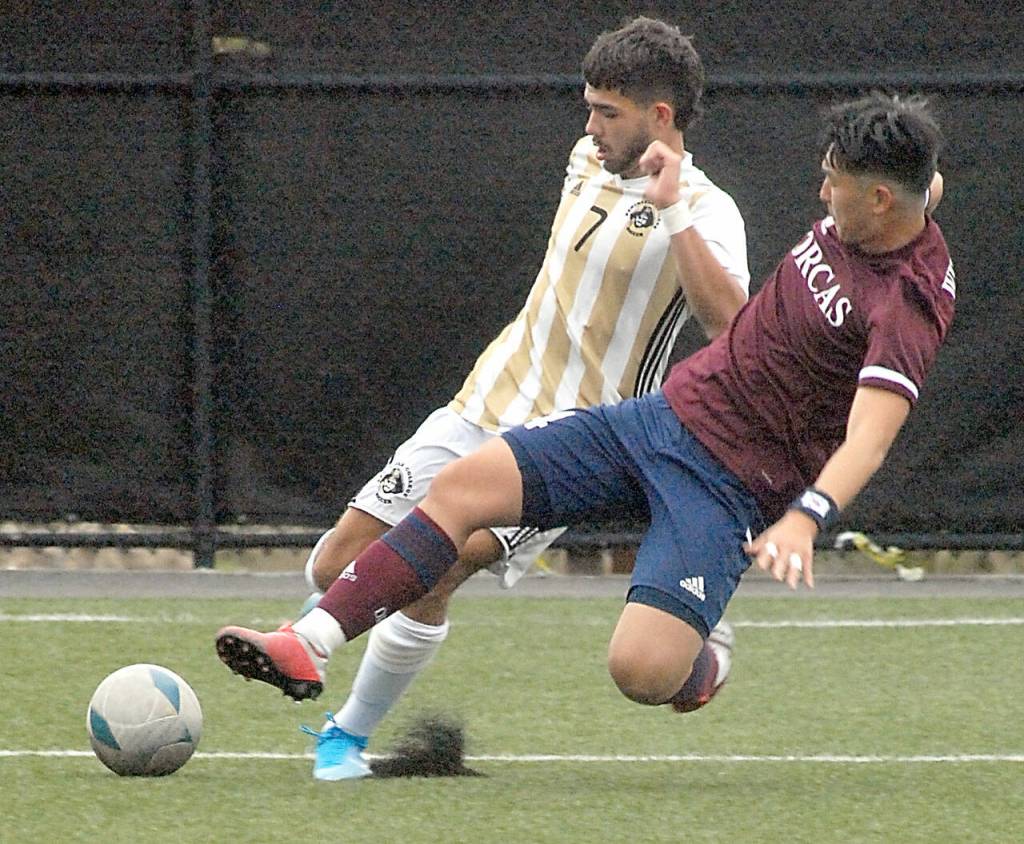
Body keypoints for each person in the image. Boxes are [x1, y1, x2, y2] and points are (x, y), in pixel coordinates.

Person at [217, 91, 953, 756]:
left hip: (731, 487)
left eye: (837, 185)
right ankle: (306, 642)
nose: (823, 195)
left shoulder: (906, 305)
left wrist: (805, 518)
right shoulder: (893, 204)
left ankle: (704, 644)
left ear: (883, 200)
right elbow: (930, 184)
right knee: (466, 486)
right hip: (661, 419)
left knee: (641, 672)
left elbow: (871, 436)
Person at [243, 16, 752, 781]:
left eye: (607, 111)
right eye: (589, 106)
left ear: (661, 117)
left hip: (571, 441)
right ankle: (697, 651)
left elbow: (733, 326)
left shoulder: (710, 210)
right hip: (481, 401)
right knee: (338, 566)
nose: (590, 125)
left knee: (435, 567)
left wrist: (673, 207)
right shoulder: (587, 157)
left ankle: (343, 741)